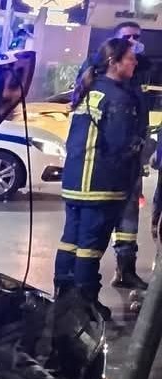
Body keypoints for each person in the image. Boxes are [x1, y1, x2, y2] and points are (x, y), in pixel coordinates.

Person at [57, 37, 141, 320]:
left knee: (70, 241)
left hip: (75, 182)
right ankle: (85, 304)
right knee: (90, 248)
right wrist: (141, 148)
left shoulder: (89, 90)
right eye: (130, 58)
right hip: (101, 184)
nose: (135, 62)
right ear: (114, 63)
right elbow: (120, 145)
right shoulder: (119, 98)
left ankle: (62, 296)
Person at [84, 22, 152, 289]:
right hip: (108, 160)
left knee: (129, 218)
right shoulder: (100, 70)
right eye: (128, 37)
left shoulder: (136, 70)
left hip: (131, 156)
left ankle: (126, 270)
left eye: (137, 37)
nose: (134, 41)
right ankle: (83, 283)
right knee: (97, 224)